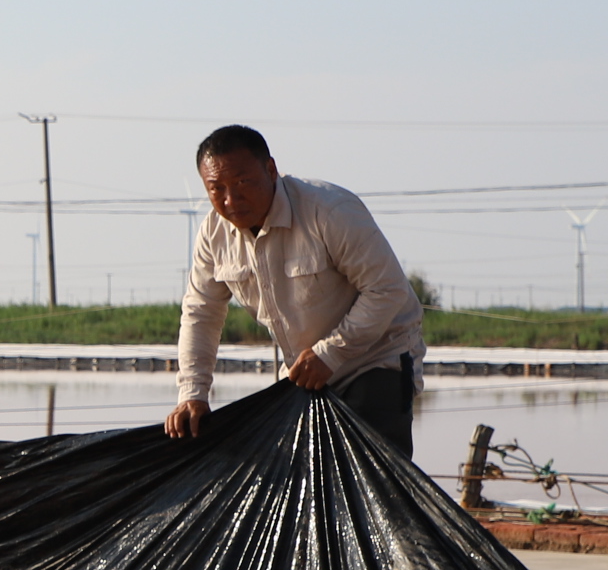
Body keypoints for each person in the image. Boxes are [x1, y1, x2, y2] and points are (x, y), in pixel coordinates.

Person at [162, 124, 425, 459]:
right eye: (217, 189)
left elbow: (387, 289)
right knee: (301, 474)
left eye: (242, 183)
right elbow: (201, 313)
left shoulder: (328, 210)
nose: (230, 200)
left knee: (369, 471)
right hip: (305, 373)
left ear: (271, 169)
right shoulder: (213, 235)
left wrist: (330, 354)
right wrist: (192, 393)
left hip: (375, 359)